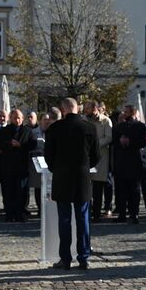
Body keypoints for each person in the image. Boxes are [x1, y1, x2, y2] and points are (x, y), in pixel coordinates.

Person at [45, 98, 100, 270]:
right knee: (83, 219)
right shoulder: (90, 128)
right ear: (78, 108)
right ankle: (83, 257)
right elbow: (96, 156)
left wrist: (57, 169)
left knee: (64, 220)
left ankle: (65, 258)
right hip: (82, 178)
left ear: (63, 109)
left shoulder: (55, 128)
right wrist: (84, 167)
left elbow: (48, 156)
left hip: (62, 178)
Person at [0, 109, 36, 221]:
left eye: (19, 117)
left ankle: (19, 214)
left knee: (21, 192)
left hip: (22, 166)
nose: (17, 120)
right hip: (7, 166)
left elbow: (32, 145)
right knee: (8, 191)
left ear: (22, 118)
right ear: (10, 118)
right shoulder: (4, 131)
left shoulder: (28, 131)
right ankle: (9, 214)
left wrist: (20, 145)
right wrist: (10, 144)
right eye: (14, 117)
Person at [112, 105, 146, 223]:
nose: (124, 114)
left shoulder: (140, 126)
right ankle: (122, 214)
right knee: (121, 190)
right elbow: (114, 142)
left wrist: (130, 142)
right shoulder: (119, 127)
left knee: (134, 190)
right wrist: (120, 142)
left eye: (126, 112)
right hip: (121, 161)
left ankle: (134, 213)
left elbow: (143, 142)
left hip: (134, 161)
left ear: (132, 113)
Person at [84, 101, 113, 222]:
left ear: (95, 109)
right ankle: (87, 213)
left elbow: (108, 137)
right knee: (86, 187)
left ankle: (96, 214)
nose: (86, 111)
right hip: (86, 158)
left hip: (100, 159)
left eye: (88, 109)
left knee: (98, 188)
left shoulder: (106, 121)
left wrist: (95, 144)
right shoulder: (84, 120)